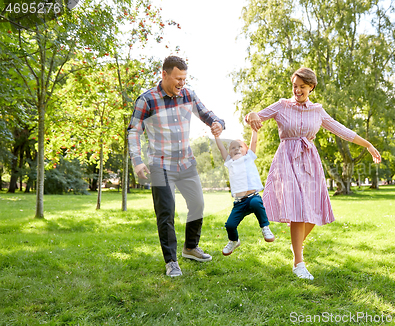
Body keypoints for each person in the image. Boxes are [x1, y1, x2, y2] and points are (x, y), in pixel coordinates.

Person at [246, 67, 381, 280]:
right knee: (299, 208)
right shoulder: (282, 106)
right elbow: (255, 117)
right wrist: (251, 114)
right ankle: (299, 263)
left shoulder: (317, 111)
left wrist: (368, 145)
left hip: (309, 162)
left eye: (302, 87)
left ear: (311, 87)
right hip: (287, 161)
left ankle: (295, 247)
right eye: (294, 86)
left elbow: (341, 130)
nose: (297, 91)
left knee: (313, 212)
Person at [127, 56, 225, 277]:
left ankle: (190, 247)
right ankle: (171, 261)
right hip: (160, 164)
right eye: (178, 78)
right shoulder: (147, 100)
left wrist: (218, 123)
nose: (182, 83)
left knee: (198, 203)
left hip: (185, 162)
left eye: (184, 78)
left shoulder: (188, 95)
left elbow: (207, 114)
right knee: (167, 212)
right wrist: (137, 160)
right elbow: (134, 131)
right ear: (164, 74)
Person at [214, 129, 275, 256]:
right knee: (230, 225)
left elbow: (254, 141)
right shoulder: (230, 162)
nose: (236, 149)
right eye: (232, 148)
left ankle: (265, 228)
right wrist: (217, 137)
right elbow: (221, 150)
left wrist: (254, 130)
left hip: (253, 197)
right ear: (229, 153)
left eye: (240, 146)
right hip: (239, 203)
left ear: (246, 150)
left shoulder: (249, 157)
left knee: (257, 204)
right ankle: (234, 240)